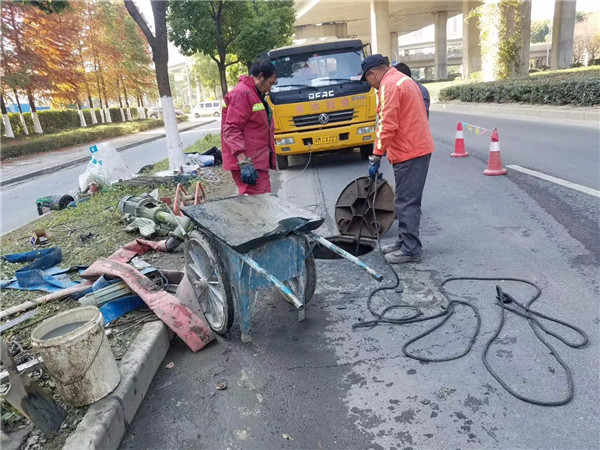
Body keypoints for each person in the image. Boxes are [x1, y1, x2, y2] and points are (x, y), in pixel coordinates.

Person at [361, 54, 434, 263]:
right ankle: (404, 241)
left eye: (367, 79)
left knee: (406, 202)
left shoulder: (389, 85)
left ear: (373, 73)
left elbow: (387, 124)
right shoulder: (401, 79)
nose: (370, 85)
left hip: (410, 151)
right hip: (414, 148)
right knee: (404, 199)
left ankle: (411, 249)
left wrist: (376, 155)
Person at [221, 60, 278, 195]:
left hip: (256, 160)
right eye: (270, 83)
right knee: (259, 204)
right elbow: (231, 129)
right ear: (260, 77)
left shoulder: (254, 94)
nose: (270, 88)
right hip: (248, 163)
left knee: (262, 202)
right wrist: (244, 162)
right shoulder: (242, 94)